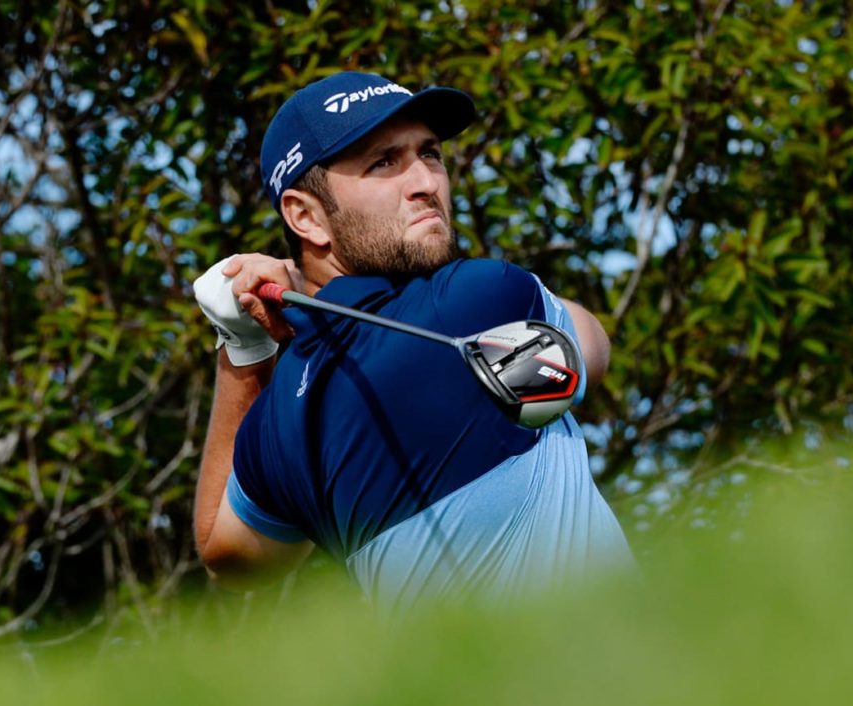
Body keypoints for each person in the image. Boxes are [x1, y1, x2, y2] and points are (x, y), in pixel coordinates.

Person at [192, 71, 633, 612]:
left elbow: (226, 554)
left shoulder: (278, 422)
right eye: (384, 163)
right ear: (304, 216)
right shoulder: (481, 297)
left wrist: (242, 347)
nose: (426, 182)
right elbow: (594, 345)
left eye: (431, 154)